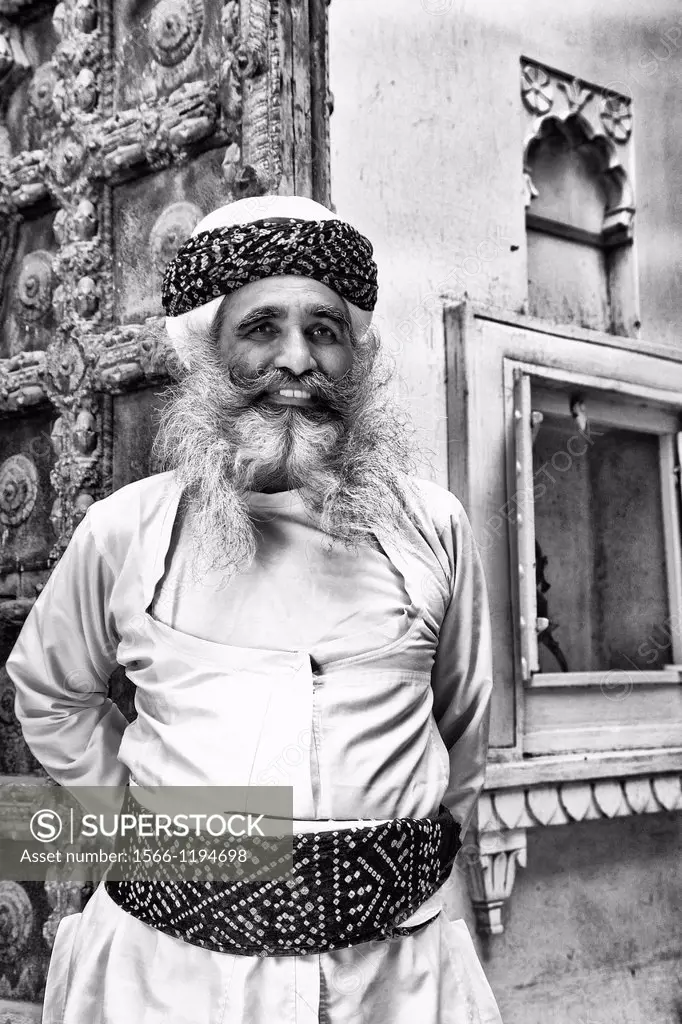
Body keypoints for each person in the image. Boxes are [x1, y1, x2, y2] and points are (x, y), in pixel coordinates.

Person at [6, 195, 503, 1023]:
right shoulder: (128, 530)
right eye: (261, 328)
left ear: (356, 357)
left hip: (394, 980)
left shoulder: (432, 528)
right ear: (209, 349)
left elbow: (462, 728)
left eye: (325, 330)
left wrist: (387, 861)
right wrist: (149, 830)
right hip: (169, 981)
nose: (297, 360)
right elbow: (50, 691)